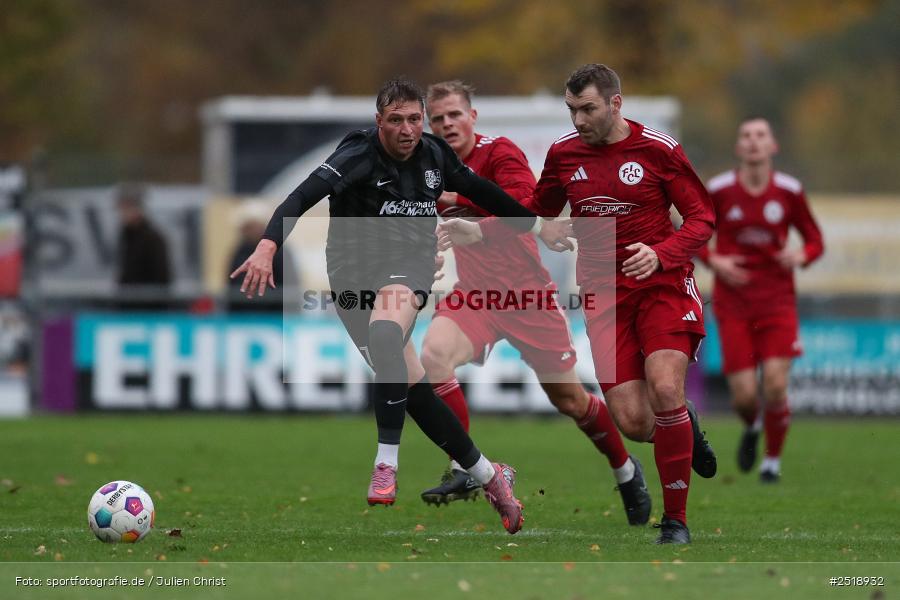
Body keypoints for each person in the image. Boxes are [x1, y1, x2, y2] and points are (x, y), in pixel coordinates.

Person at [231, 78, 549, 535]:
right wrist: (266, 247)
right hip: (350, 277)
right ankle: (489, 476)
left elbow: (483, 191)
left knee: (385, 332)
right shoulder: (356, 156)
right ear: (379, 121)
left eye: (414, 119)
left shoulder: (435, 155)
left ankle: (386, 463)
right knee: (412, 388)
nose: (407, 129)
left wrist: (534, 225)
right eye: (396, 120)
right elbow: (299, 198)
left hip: (409, 267)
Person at [441, 64, 718, 544]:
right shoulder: (564, 155)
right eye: (571, 110)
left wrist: (661, 254)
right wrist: (505, 218)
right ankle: (683, 425)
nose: (578, 119)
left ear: (615, 103)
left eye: (587, 108)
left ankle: (676, 522)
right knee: (634, 422)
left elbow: (701, 217)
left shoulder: (659, 150)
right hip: (604, 296)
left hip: (662, 286)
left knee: (665, 386)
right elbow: (537, 207)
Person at [419, 80, 651, 526]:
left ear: (473, 116)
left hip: (527, 297)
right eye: (438, 118)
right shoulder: (430, 166)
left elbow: (525, 209)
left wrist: (461, 206)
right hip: (475, 294)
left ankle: (625, 471)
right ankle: (466, 468)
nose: (447, 124)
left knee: (570, 400)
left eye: (454, 115)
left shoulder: (500, 153)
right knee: (434, 355)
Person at [699, 117, 824, 483]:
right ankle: (752, 426)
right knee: (743, 397)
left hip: (777, 302)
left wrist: (803, 255)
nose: (753, 142)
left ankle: (771, 462)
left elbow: (815, 240)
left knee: (774, 384)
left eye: (760, 136)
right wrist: (714, 260)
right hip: (733, 304)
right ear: (739, 148)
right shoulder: (720, 189)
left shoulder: (789, 191)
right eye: (746, 136)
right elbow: (695, 232)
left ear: (773, 146)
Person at [226, 201, 298, 313]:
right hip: (243, 317)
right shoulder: (239, 250)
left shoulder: (280, 251)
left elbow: (290, 287)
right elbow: (231, 285)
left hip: (275, 315)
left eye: (250, 226)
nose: (246, 231)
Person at [115, 183, 172, 310]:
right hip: (128, 309)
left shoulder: (153, 239)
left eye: (126, 207)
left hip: (147, 312)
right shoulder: (127, 236)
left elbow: (161, 277)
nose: (122, 213)